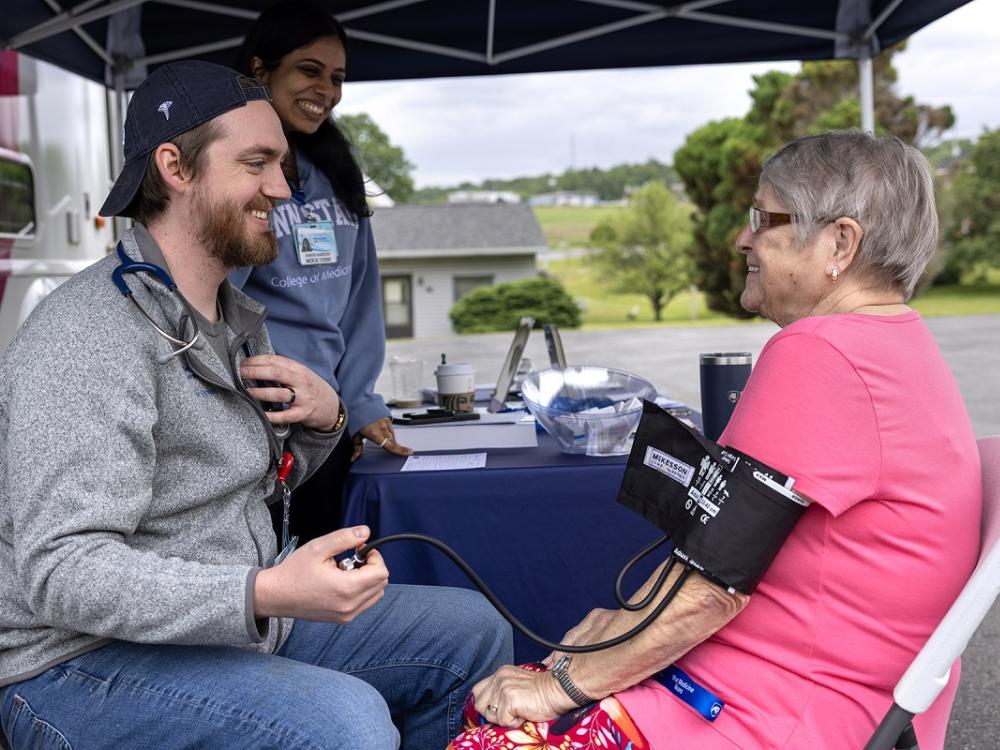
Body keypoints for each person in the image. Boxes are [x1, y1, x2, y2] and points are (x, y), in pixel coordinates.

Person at [0, 60, 511, 750]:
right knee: (347, 724)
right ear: (175, 167)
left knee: (473, 633)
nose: (282, 188)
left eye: (283, 165)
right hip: (77, 660)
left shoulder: (234, 318)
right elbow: (64, 572)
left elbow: (247, 481)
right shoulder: (88, 333)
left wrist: (326, 420)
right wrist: (264, 592)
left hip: (225, 617)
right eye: (258, 163)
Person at [450, 130, 981, 749]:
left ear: (839, 241)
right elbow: (718, 550)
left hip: (784, 710)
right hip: (837, 694)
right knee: (509, 695)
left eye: (765, 217)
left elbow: (712, 586)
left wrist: (565, 687)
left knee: (498, 730)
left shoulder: (820, 353)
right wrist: (620, 630)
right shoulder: (895, 343)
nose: (743, 238)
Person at [231, 0, 409, 545]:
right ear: (260, 70)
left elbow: (360, 302)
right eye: (310, 70)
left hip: (324, 422)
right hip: (253, 422)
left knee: (324, 572)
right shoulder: (233, 171)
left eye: (337, 78)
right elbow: (209, 300)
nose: (326, 90)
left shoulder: (335, 172)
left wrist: (359, 404)